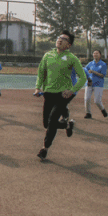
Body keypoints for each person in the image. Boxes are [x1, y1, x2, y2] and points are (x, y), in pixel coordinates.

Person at [34, 30, 86, 160]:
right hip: (48, 93)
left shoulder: (72, 58)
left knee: (52, 120)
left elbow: (83, 77)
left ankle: (44, 149)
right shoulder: (48, 55)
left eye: (64, 39)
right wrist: (37, 87)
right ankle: (67, 125)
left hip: (63, 95)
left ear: (69, 45)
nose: (60, 39)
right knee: (46, 124)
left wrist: (72, 90)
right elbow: (41, 72)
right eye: (59, 37)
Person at [84, 49, 108, 119]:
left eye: (97, 53)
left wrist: (93, 72)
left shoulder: (103, 64)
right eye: (94, 53)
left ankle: (102, 110)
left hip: (98, 84)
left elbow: (102, 75)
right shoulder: (90, 63)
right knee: (87, 99)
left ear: (100, 55)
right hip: (89, 83)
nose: (95, 54)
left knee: (97, 101)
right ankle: (88, 113)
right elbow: (85, 70)